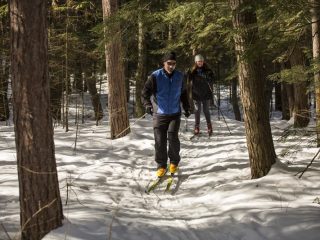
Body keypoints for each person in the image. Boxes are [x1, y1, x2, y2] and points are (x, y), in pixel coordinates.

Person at [141, 51, 190, 177]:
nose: (171, 66)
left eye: (174, 63)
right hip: (160, 114)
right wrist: (147, 105)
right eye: (169, 63)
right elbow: (145, 93)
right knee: (160, 140)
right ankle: (161, 165)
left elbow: (184, 94)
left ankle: (174, 162)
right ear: (164, 63)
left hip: (174, 113)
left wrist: (187, 107)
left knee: (173, 137)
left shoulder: (180, 76)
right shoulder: (155, 76)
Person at [187, 54, 214, 135]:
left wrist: (209, 77)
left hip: (206, 93)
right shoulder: (193, 71)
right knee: (197, 111)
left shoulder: (208, 70)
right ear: (196, 62)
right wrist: (187, 74)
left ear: (203, 61)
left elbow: (212, 78)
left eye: (201, 61)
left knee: (206, 110)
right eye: (198, 61)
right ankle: (197, 127)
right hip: (196, 94)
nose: (200, 63)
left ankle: (209, 126)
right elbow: (188, 79)